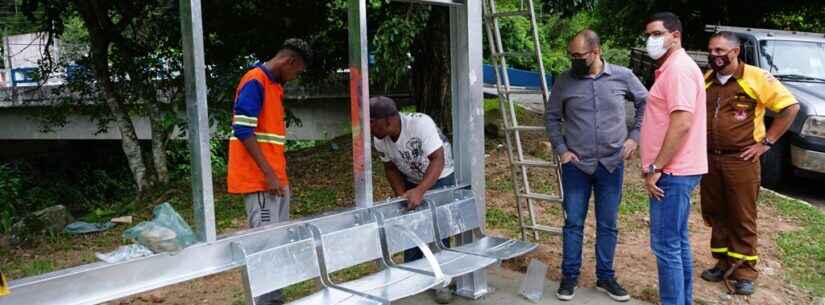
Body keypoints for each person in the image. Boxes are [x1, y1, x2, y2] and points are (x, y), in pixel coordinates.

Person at [545, 29, 647, 302]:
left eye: (580, 55)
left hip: (611, 165)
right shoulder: (565, 81)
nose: (574, 60)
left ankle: (605, 276)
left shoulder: (622, 76)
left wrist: (634, 137)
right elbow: (552, 117)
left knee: (608, 223)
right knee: (574, 222)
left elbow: (646, 102)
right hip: (576, 165)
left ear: (596, 51)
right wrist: (562, 150)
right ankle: (569, 277)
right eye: (572, 55)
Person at [700, 31, 799, 295]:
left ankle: (744, 271)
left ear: (735, 52)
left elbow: (790, 108)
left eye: (721, 51)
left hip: (741, 159)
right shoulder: (707, 79)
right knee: (716, 213)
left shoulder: (755, 77)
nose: (715, 55)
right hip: (710, 158)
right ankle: (722, 262)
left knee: (742, 216)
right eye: (712, 50)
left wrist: (766, 143)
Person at [226, 38, 312, 305]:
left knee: (278, 243)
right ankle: (265, 301)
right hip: (260, 181)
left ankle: (275, 299)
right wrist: (269, 174)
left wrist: (278, 176)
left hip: (274, 179)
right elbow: (243, 129)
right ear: (290, 61)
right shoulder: (255, 81)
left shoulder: (274, 85)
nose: (296, 77)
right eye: (297, 72)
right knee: (264, 246)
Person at [639, 12, 708, 305]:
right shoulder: (672, 68)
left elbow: (681, 123)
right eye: (648, 35)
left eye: (656, 34)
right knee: (676, 243)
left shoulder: (679, 69)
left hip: (672, 172)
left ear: (675, 36)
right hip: (677, 170)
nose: (650, 41)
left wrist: (656, 167)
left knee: (666, 246)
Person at [369, 96, 455, 304]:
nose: (368, 127)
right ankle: (413, 277)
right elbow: (390, 168)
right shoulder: (379, 137)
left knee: (438, 228)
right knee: (411, 227)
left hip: (440, 175)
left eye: (372, 121)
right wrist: (402, 195)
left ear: (388, 120)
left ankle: (443, 280)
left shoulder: (420, 124)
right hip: (411, 179)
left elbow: (438, 159)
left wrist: (420, 190)